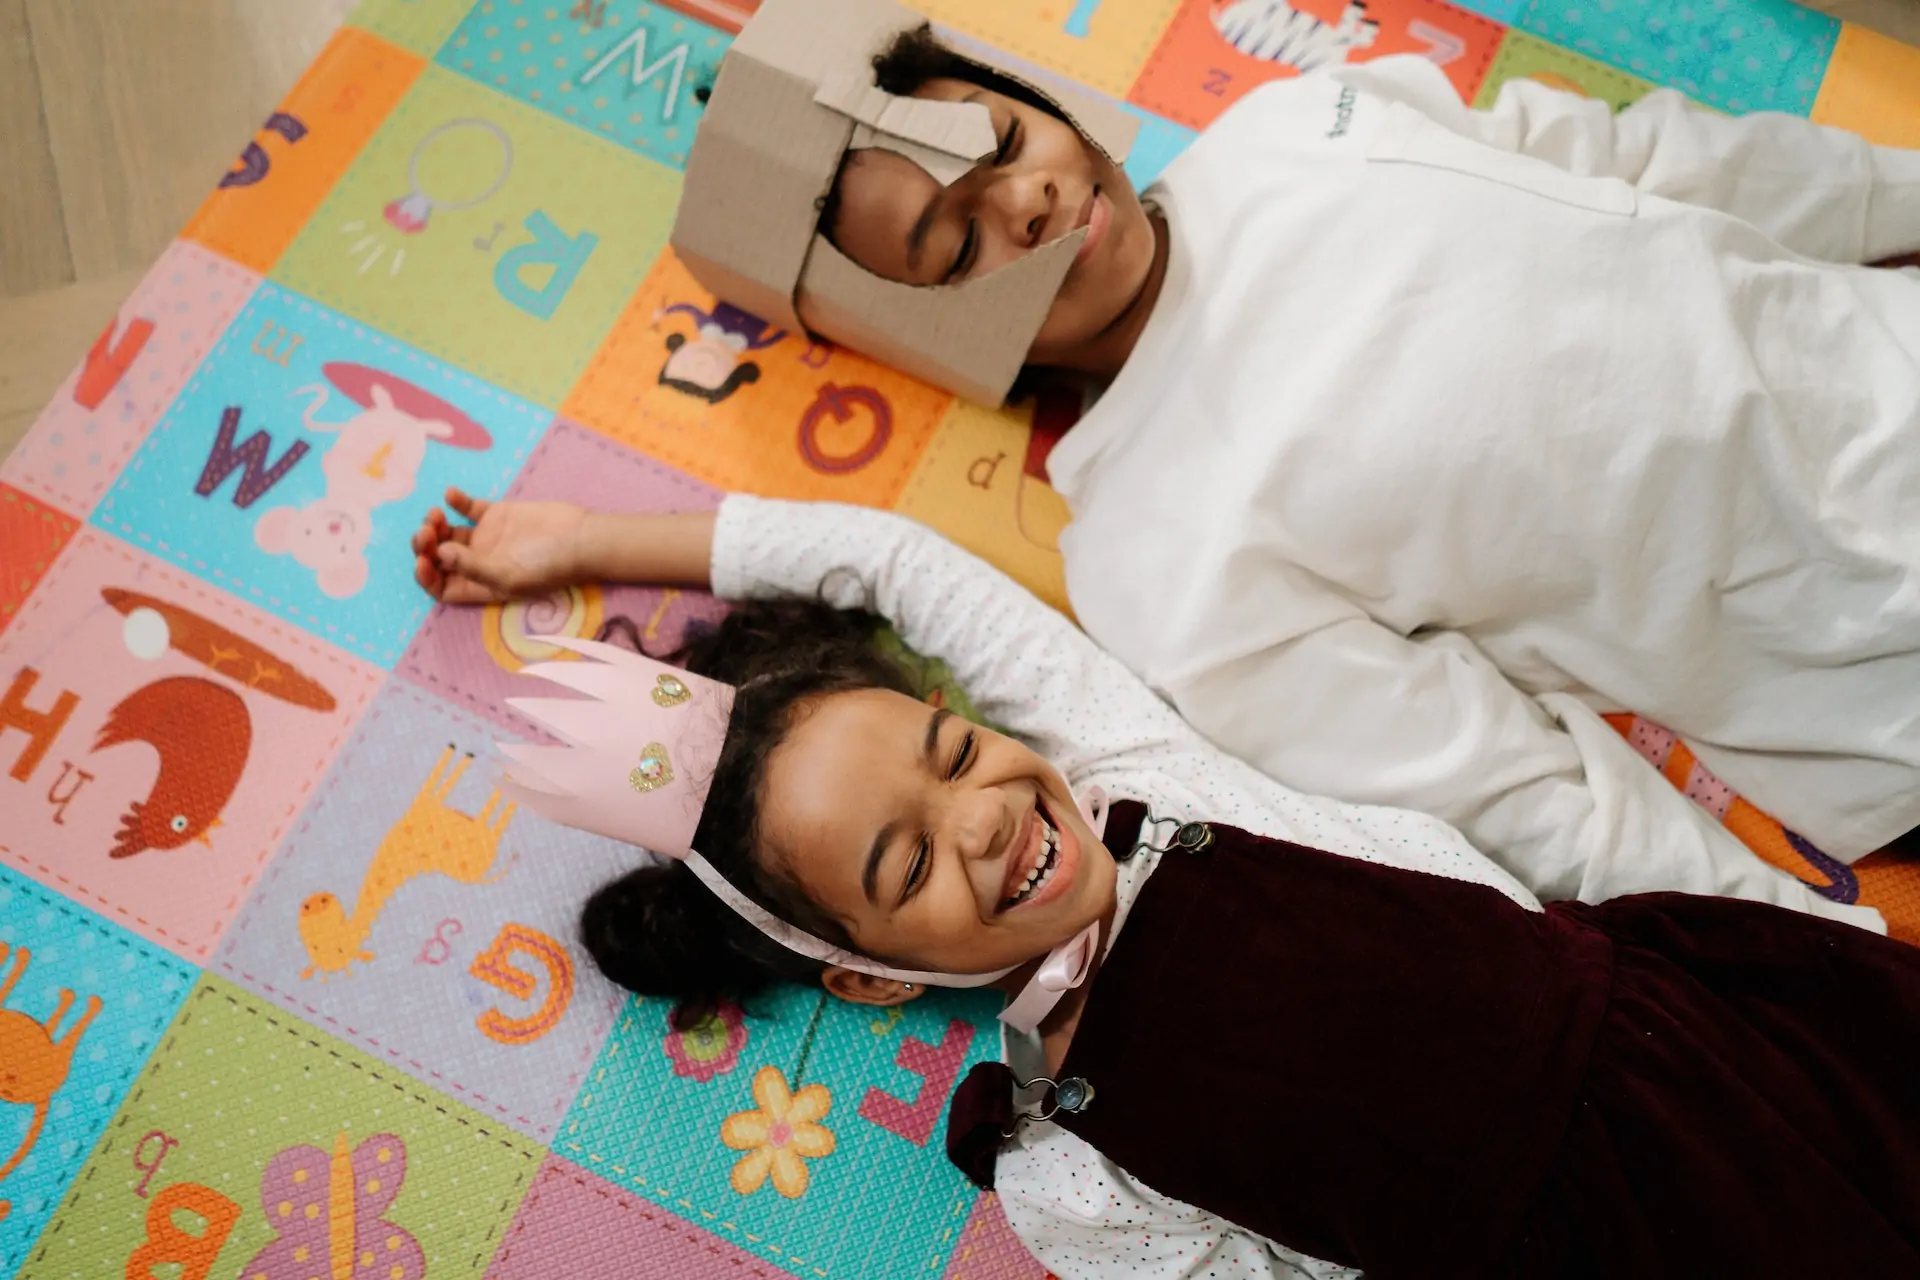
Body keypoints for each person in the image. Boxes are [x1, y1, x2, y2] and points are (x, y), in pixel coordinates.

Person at [411, 488, 1913, 1279]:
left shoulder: (1141, 774)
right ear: (868, 970)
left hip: (1706, 1029)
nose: (983, 819)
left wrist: (588, 543)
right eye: (908, 862)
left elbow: (891, 559)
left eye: (951, 753)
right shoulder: (1064, 1163)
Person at [679, 3, 1920, 910]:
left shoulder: (1292, 122)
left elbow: (1655, 161)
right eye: (955, 249)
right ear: (921, 324)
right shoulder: (1148, 556)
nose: (1027, 206)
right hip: (1869, 677)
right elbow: (1501, 785)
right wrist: (1808, 930)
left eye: (1004, 142)